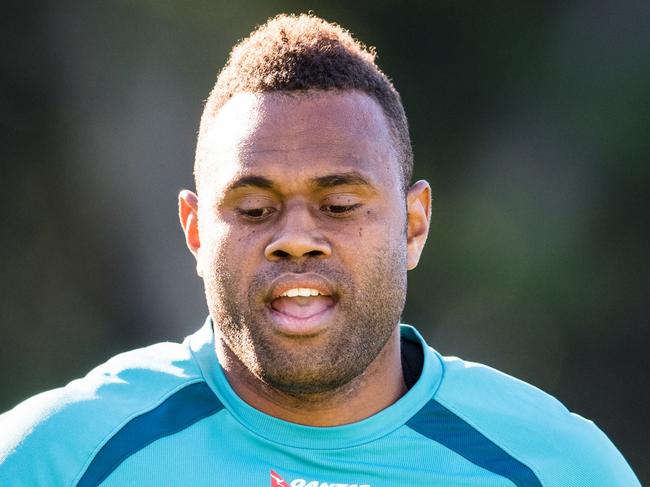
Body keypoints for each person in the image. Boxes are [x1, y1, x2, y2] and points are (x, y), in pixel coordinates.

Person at [0, 13, 640, 487]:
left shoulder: (560, 468)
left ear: (414, 225)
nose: (297, 238)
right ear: (195, 232)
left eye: (339, 206)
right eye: (254, 209)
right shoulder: (55, 460)